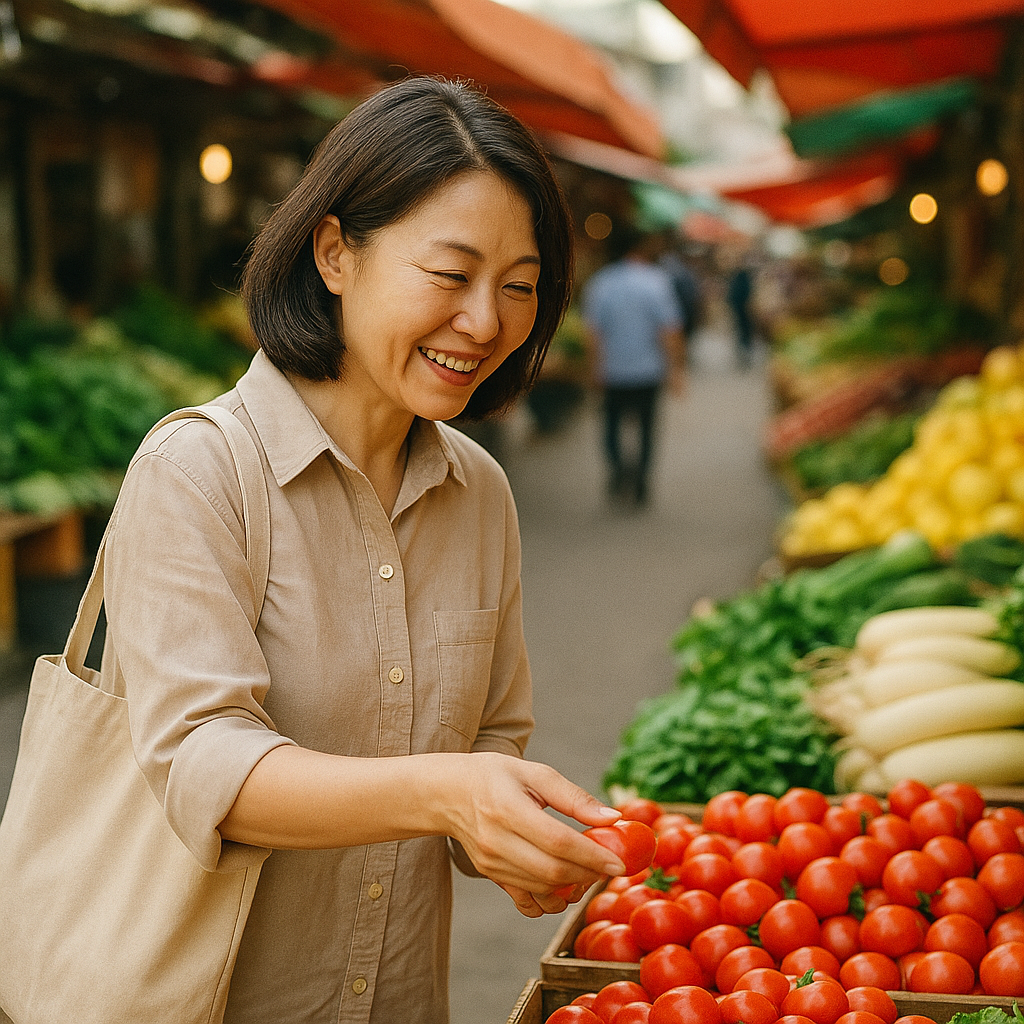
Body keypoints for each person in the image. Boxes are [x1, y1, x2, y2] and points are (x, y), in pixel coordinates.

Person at [99, 77, 626, 1024]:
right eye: (451, 274)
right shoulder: (198, 472)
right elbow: (204, 763)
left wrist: (510, 833)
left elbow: (490, 734)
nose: (486, 322)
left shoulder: (479, 493)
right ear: (336, 253)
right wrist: (445, 794)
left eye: (519, 286)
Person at [582, 223, 686, 506]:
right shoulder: (656, 281)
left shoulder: (602, 282)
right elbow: (669, 330)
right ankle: (641, 482)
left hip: (613, 371)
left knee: (612, 427)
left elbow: (594, 334)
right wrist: (676, 370)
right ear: (640, 248)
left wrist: (594, 369)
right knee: (647, 429)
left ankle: (618, 472)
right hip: (648, 372)